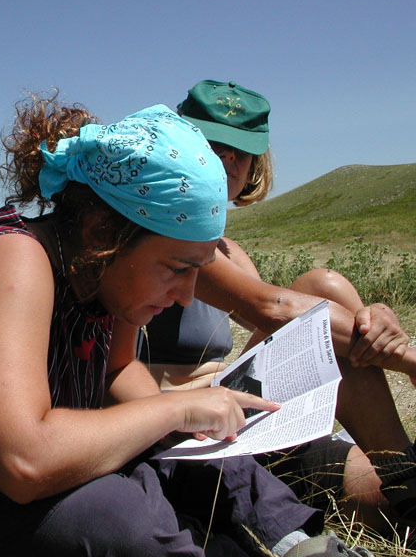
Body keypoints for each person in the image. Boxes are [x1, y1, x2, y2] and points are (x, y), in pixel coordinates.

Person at [0, 93, 373, 557]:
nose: (185, 295)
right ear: (103, 233)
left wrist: (191, 426)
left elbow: (118, 370)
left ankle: (302, 546)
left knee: (195, 452)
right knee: (112, 513)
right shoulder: (12, 262)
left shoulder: (102, 278)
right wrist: (175, 409)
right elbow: (25, 462)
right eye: (176, 268)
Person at [140, 79, 416, 534]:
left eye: (241, 152)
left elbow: (285, 311)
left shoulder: (227, 250)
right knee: (320, 293)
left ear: (256, 163)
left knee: (380, 507)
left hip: (244, 415)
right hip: (184, 427)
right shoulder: (164, 231)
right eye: (213, 145)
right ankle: (406, 477)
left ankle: (402, 477)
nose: (227, 160)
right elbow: (272, 308)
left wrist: (376, 316)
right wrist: (406, 359)